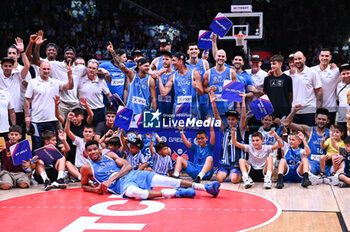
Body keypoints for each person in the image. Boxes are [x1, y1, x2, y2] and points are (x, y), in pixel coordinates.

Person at [80, 140, 221, 199]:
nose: (93, 152)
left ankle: (206, 188)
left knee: (167, 179)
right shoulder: (87, 168)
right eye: (89, 151)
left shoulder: (109, 155)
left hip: (134, 174)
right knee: (135, 193)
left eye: (94, 149)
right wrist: (96, 189)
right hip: (122, 185)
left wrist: (111, 179)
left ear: (99, 149)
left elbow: (128, 166)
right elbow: (84, 185)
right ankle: (177, 193)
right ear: (87, 153)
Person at [24, 61, 73, 150]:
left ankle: (50, 164)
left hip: (52, 120)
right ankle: (37, 164)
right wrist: (27, 116)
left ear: (50, 70)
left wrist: (69, 75)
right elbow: (27, 100)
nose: (46, 71)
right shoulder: (32, 82)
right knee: (37, 145)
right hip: (36, 120)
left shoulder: (55, 82)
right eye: (44, 69)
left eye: (48, 69)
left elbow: (70, 86)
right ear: (39, 70)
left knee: (51, 145)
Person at [107, 42, 157, 118]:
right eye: (146, 66)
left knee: (142, 130)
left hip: (144, 112)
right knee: (124, 129)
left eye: (148, 66)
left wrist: (153, 115)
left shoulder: (150, 79)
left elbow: (153, 99)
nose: (148, 68)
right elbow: (120, 64)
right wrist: (113, 52)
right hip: (130, 111)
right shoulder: (132, 74)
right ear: (139, 67)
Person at [210, 91, 247, 184]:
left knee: (234, 180)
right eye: (229, 119)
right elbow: (217, 116)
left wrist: (243, 100)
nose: (231, 121)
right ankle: (228, 173)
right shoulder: (224, 128)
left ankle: (237, 174)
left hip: (236, 163)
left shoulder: (240, 129)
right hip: (225, 162)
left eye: (233, 119)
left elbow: (243, 116)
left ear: (237, 120)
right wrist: (213, 103)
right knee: (219, 179)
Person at [284, 105, 331, 176]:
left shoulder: (331, 133)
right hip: (311, 163)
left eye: (324, 120)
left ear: (328, 121)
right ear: (315, 118)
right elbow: (287, 123)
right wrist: (294, 111)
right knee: (305, 168)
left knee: (340, 167)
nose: (321, 121)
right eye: (319, 119)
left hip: (325, 164)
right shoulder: (308, 130)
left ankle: (319, 177)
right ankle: (312, 176)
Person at [158, 52, 203, 119]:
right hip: (178, 110)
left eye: (174, 60)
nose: (172, 63)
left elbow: (201, 93)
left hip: (192, 109)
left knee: (193, 129)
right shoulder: (173, 76)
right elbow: (163, 93)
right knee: (178, 129)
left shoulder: (194, 73)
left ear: (180, 61)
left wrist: (197, 87)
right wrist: (159, 77)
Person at [1, 38, 31, 138]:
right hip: (3, 109)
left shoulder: (19, 72)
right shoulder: (1, 69)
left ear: (17, 55)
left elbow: (27, 66)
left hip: (17, 109)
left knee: (18, 137)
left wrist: (22, 51)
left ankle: (19, 154)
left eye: (14, 53)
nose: (11, 55)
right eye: (10, 53)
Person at [203, 49, 237, 121]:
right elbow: (203, 89)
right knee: (213, 132)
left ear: (225, 58)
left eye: (222, 56)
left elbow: (236, 92)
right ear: (215, 57)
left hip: (228, 110)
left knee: (228, 131)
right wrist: (208, 90)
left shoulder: (232, 72)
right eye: (219, 56)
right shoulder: (208, 73)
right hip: (213, 109)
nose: (220, 58)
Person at [291, 51, 322, 126]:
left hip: (310, 111)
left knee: (309, 136)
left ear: (304, 59)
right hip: (295, 111)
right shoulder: (290, 74)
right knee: (296, 136)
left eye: (299, 59)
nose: (297, 61)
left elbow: (319, 92)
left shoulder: (312, 73)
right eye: (295, 59)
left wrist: (318, 111)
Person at [77, 59, 112, 125]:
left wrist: (112, 102)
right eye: (89, 67)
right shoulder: (79, 79)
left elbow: (108, 94)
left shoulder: (101, 80)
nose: (91, 70)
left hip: (99, 111)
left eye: (93, 68)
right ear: (87, 68)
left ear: (97, 70)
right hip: (84, 111)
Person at [311, 49, 340, 126]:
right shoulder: (311, 70)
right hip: (314, 108)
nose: (324, 58)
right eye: (322, 56)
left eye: (327, 56)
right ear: (319, 57)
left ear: (330, 57)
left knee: (329, 133)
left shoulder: (336, 71)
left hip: (330, 108)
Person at [65, 112, 95, 181]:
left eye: (90, 132)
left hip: (89, 169)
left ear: (93, 134)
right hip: (78, 169)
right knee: (67, 163)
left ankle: (86, 178)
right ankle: (81, 178)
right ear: (83, 133)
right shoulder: (79, 141)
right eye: (86, 131)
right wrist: (68, 119)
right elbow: (68, 131)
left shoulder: (96, 144)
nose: (87, 133)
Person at [0, 125, 31, 190]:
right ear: (8, 135)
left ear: (20, 136)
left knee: (24, 184)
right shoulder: (4, 145)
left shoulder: (23, 146)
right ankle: (8, 182)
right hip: (6, 172)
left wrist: (28, 164)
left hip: (20, 172)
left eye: (16, 135)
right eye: (12, 134)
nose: (13, 136)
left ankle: (14, 182)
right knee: (6, 185)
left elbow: (29, 161)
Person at [263, 55, 293, 119]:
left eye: (274, 64)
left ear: (280, 64)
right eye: (271, 64)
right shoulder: (267, 79)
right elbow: (265, 96)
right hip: (270, 112)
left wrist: (291, 110)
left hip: (284, 111)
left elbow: (291, 96)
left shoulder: (287, 79)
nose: (272, 66)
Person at [187, 42, 210, 119]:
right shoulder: (184, 64)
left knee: (206, 123)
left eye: (195, 49)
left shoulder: (204, 63)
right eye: (191, 49)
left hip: (204, 98)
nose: (193, 51)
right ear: (188, 52)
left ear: (198, 51)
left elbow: (208, 80)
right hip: (191, 99)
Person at [156, 50, 175, 115]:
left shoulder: (175, 74)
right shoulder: (158, 73)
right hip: (159, 109)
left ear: (171, 61)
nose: (164, 61)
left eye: (167, 59)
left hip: (171, 108)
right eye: (163, 59)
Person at [336, 63, 350, 137]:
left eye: (348, 73)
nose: (346, 76)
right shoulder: (338, 85)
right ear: (340, 75)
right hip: (342, 119)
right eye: (343, 74)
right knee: (343, 140)